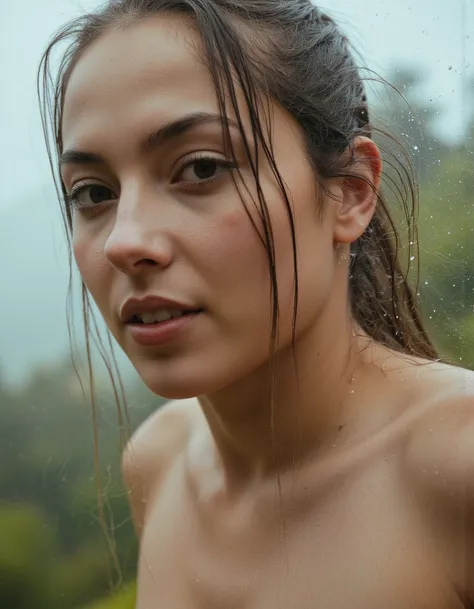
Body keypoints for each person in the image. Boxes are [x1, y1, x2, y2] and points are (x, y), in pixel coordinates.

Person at [38, 0, 474, 607]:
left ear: (350, 194)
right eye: (92, 192)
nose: (125, 241)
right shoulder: (158, 465)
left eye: (201, 167)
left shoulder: (457, 466)